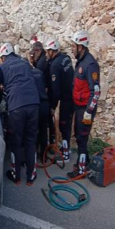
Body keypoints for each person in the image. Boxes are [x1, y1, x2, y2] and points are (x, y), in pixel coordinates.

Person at [0, 43, 40, 186]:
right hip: (33, 104)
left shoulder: (2, 67)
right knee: (31, 141)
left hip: (16, 107)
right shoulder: (24, 63)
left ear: (2, 57)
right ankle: (31, 176)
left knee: (16, 142)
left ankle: (16, 176)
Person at [68, 30, 101, 178]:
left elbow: (96, 90)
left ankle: (80, 170)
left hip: (86, 109)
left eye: (74, 46)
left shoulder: (90, 64)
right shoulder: (80, 61)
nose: (72, 49)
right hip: (79, 107)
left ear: (81, 46)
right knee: (79, 135)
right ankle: (85, 161)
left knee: (82, 138)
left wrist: (89, 111)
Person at [45, 37, 74, 163]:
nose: (47, 54)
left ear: (52, 50)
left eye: (48, 51)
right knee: (67, 124)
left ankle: (65, 155)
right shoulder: (66, 58)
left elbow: (56, 90)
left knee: (64, 125)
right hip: (73, 95)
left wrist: (53, 106)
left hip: (66, 99)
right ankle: (67, 148)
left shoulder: (55, 66)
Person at [30, 41, 56, 145]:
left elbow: (38, 78)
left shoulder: (41, 63)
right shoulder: (43, 59)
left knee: (42, 126)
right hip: (48, 94)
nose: (33, 55)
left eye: (34, 53)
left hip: (44, 97)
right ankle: (49, 146)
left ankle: (43, 149)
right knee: (47, 124)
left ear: (39, 51)